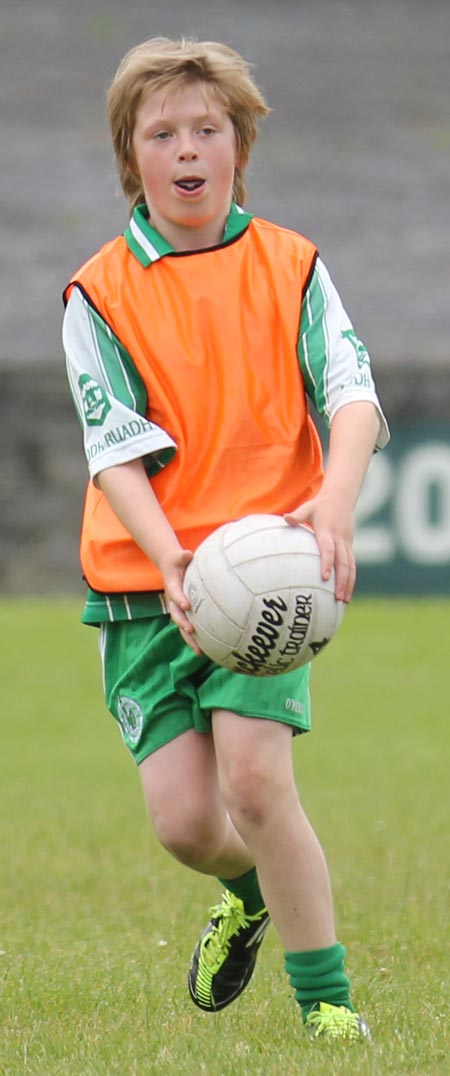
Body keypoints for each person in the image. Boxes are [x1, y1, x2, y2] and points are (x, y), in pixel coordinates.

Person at [63, 36, 389, 1043]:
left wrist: (333, 500)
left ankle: (327, 1002)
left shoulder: (291, 266)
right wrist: (170, 560)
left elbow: (353, 394)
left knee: (255, 777)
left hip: (271, 571)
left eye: (208, 129)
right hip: (146, 580)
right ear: (134, 158)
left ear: (239, 149)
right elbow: (115, 452)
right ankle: (246, 894)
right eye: (164, 133)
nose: (188, 147)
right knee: (188, 824)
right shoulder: (98, 292)